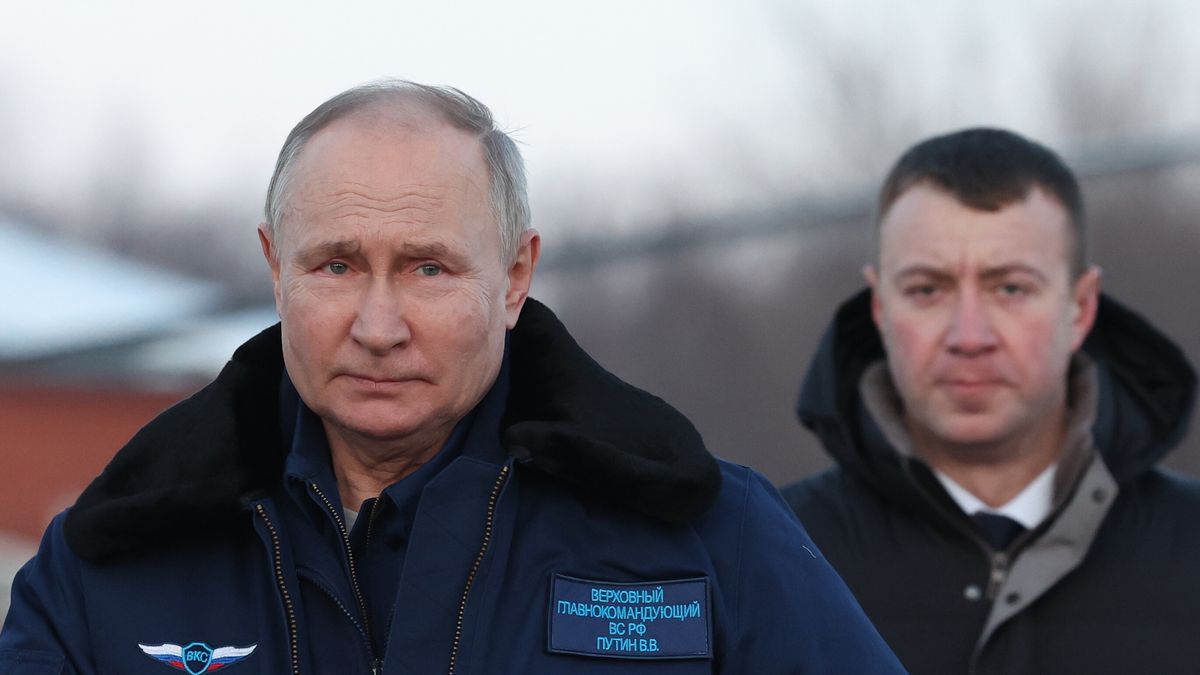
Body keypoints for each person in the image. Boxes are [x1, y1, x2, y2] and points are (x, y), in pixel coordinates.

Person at [0, 80, 904, 674]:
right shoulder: (102, 568)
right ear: (275, 267)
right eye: (336, 266)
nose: (379, 325)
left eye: (429, 268)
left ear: (514, 277)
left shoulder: (708, 540)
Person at [782, 127, 1200, 675]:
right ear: (881, 308)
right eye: (927, 290)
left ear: (1081, 307)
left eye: (1010, 288)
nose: (970, 335)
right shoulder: (774, 557)